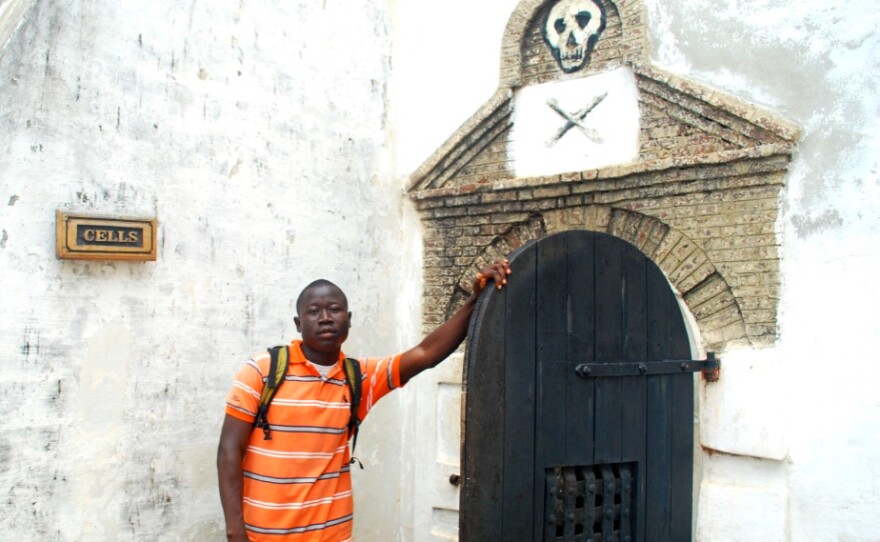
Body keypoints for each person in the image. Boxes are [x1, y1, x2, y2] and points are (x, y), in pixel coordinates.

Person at [217, 259, 512, 542]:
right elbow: (230, 450)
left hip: (333, 536)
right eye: (314, 311)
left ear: (349, 319)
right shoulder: (263, 370)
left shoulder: (359, 378)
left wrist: (476, 300)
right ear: (298, 322)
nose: (325, 318)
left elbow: (426, 353)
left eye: (334, 309)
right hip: (264, 536)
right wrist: (235, 532)